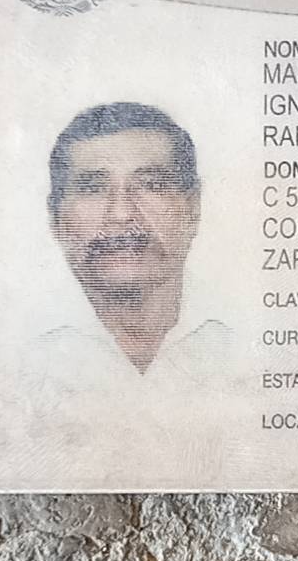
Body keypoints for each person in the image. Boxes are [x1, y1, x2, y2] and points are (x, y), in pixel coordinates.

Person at [46, 101, 222, 376]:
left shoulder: (256, 350)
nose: (121, 213)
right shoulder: (7, 366)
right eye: (93, 188)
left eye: (150, 185)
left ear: (192, 207)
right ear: (56, 217)